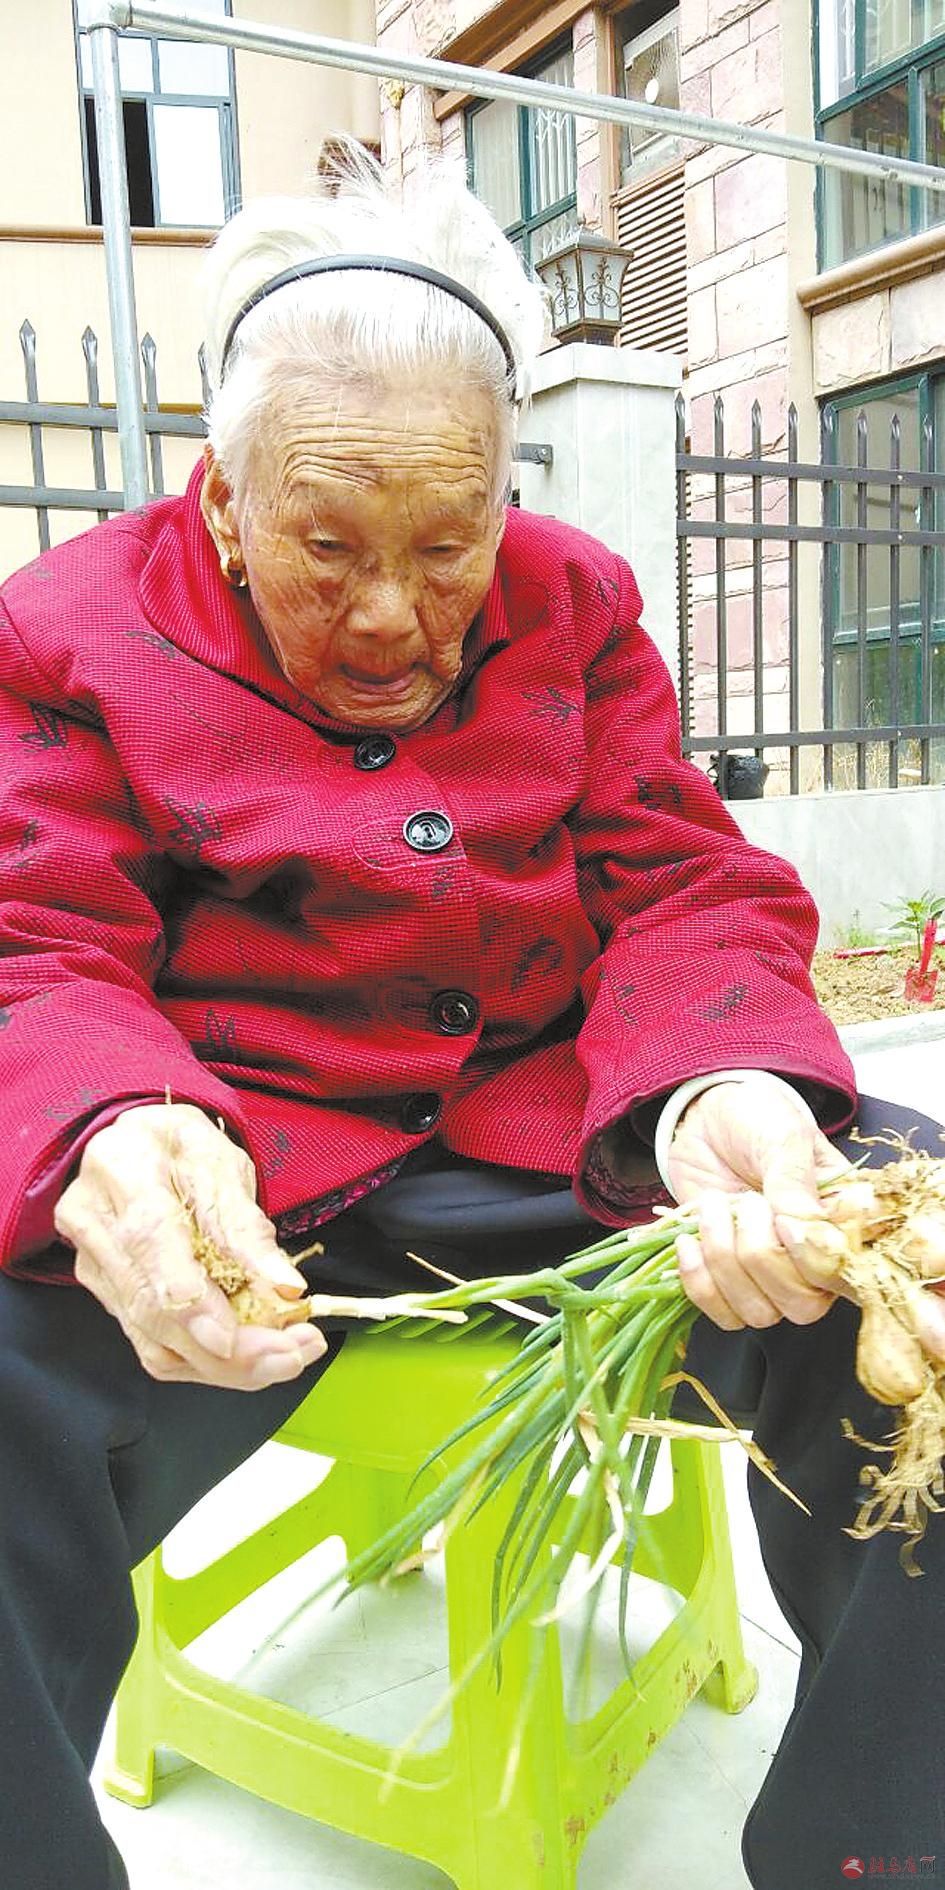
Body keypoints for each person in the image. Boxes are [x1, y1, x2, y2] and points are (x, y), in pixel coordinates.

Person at [0, 142, 941, 1890]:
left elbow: (679, 880)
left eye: (448, 546)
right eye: (326, 543)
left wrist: (718, 1086)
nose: (389, 614)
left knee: (930, 1276)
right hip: (240, 1185)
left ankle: (875, 1854)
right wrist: (111, 1131)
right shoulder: (64, 633)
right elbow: (30, 944)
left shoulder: (572, 605)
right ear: (219, 497)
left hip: (561, 1140)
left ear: (508, 498)